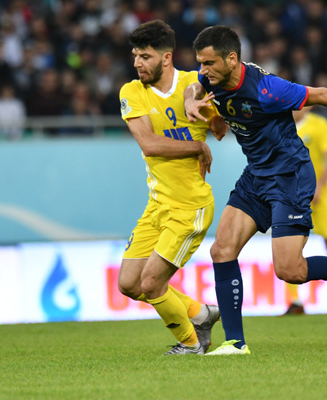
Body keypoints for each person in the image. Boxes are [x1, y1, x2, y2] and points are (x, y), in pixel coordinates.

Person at [184, 26, 327, 356]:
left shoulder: (268, 89)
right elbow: (193, 86)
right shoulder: (209, 79)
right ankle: (236, 343)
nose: (203, 70)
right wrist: (193, 102)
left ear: (231, 59)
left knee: (290, 271)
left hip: (290, 176)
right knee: (222, 249)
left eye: (209, 63)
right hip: (256, 175)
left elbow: (322, 94)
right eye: (200, 62)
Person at [117, 20, 221, 355]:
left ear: (166, 57)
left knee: (151, 282)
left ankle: (191, 344)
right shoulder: (132, 91)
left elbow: (213, 117)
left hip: (190, 206)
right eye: (135, 55)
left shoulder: (193, 82)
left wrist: (213, 117)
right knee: (129, 283)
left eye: (145, 56)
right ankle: (201, 314)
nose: (137, 63)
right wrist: (197, 146)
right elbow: (149, 144)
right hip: (157, 205)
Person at [285, 107, 327, 315]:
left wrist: (318, 186)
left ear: (309, 105)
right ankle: (295, 302)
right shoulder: (280, 126)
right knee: (290, 247)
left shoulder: (320, 125)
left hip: (321, 197)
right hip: (293, 197)